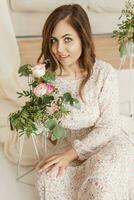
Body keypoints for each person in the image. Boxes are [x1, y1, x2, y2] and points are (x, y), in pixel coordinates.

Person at [36, 4, 134, 200]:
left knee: (100, 184)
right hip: (67, 146)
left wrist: (71, 154)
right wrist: (35, 120)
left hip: (107, 140)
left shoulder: (103, 73)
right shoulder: (45, 81)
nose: (59, 49)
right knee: (48, 180)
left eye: (67, 40)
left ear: (83, 38)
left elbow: (108, 126)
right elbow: (47, 130)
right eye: (53, 41)